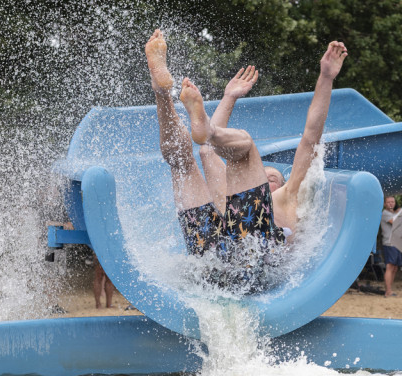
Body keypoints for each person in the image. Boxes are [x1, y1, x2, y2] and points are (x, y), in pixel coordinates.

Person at [146, 30, 347, 290]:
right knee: (184, 162)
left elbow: (310, 137)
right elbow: (208, 150)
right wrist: (228, 97)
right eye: (266, 175)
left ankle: (180, 108)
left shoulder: (288, 195)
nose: (269, 180)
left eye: (273, 178)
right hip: (218, 256)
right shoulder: (237, 197)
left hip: (238, 259)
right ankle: (162, 92)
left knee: (215, 153)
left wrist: (326, 78)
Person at [380, 195, 402, 297]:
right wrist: (401, 214)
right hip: (389, 243)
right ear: (385, 204)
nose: (391, 204)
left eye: (392, 202)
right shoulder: (385, 214)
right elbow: (396, 223)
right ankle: (388, 291)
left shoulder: (393, 214)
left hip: (396, 243)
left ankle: (390, 289)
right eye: (389, 202)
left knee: (395, 268)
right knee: (390, 266)